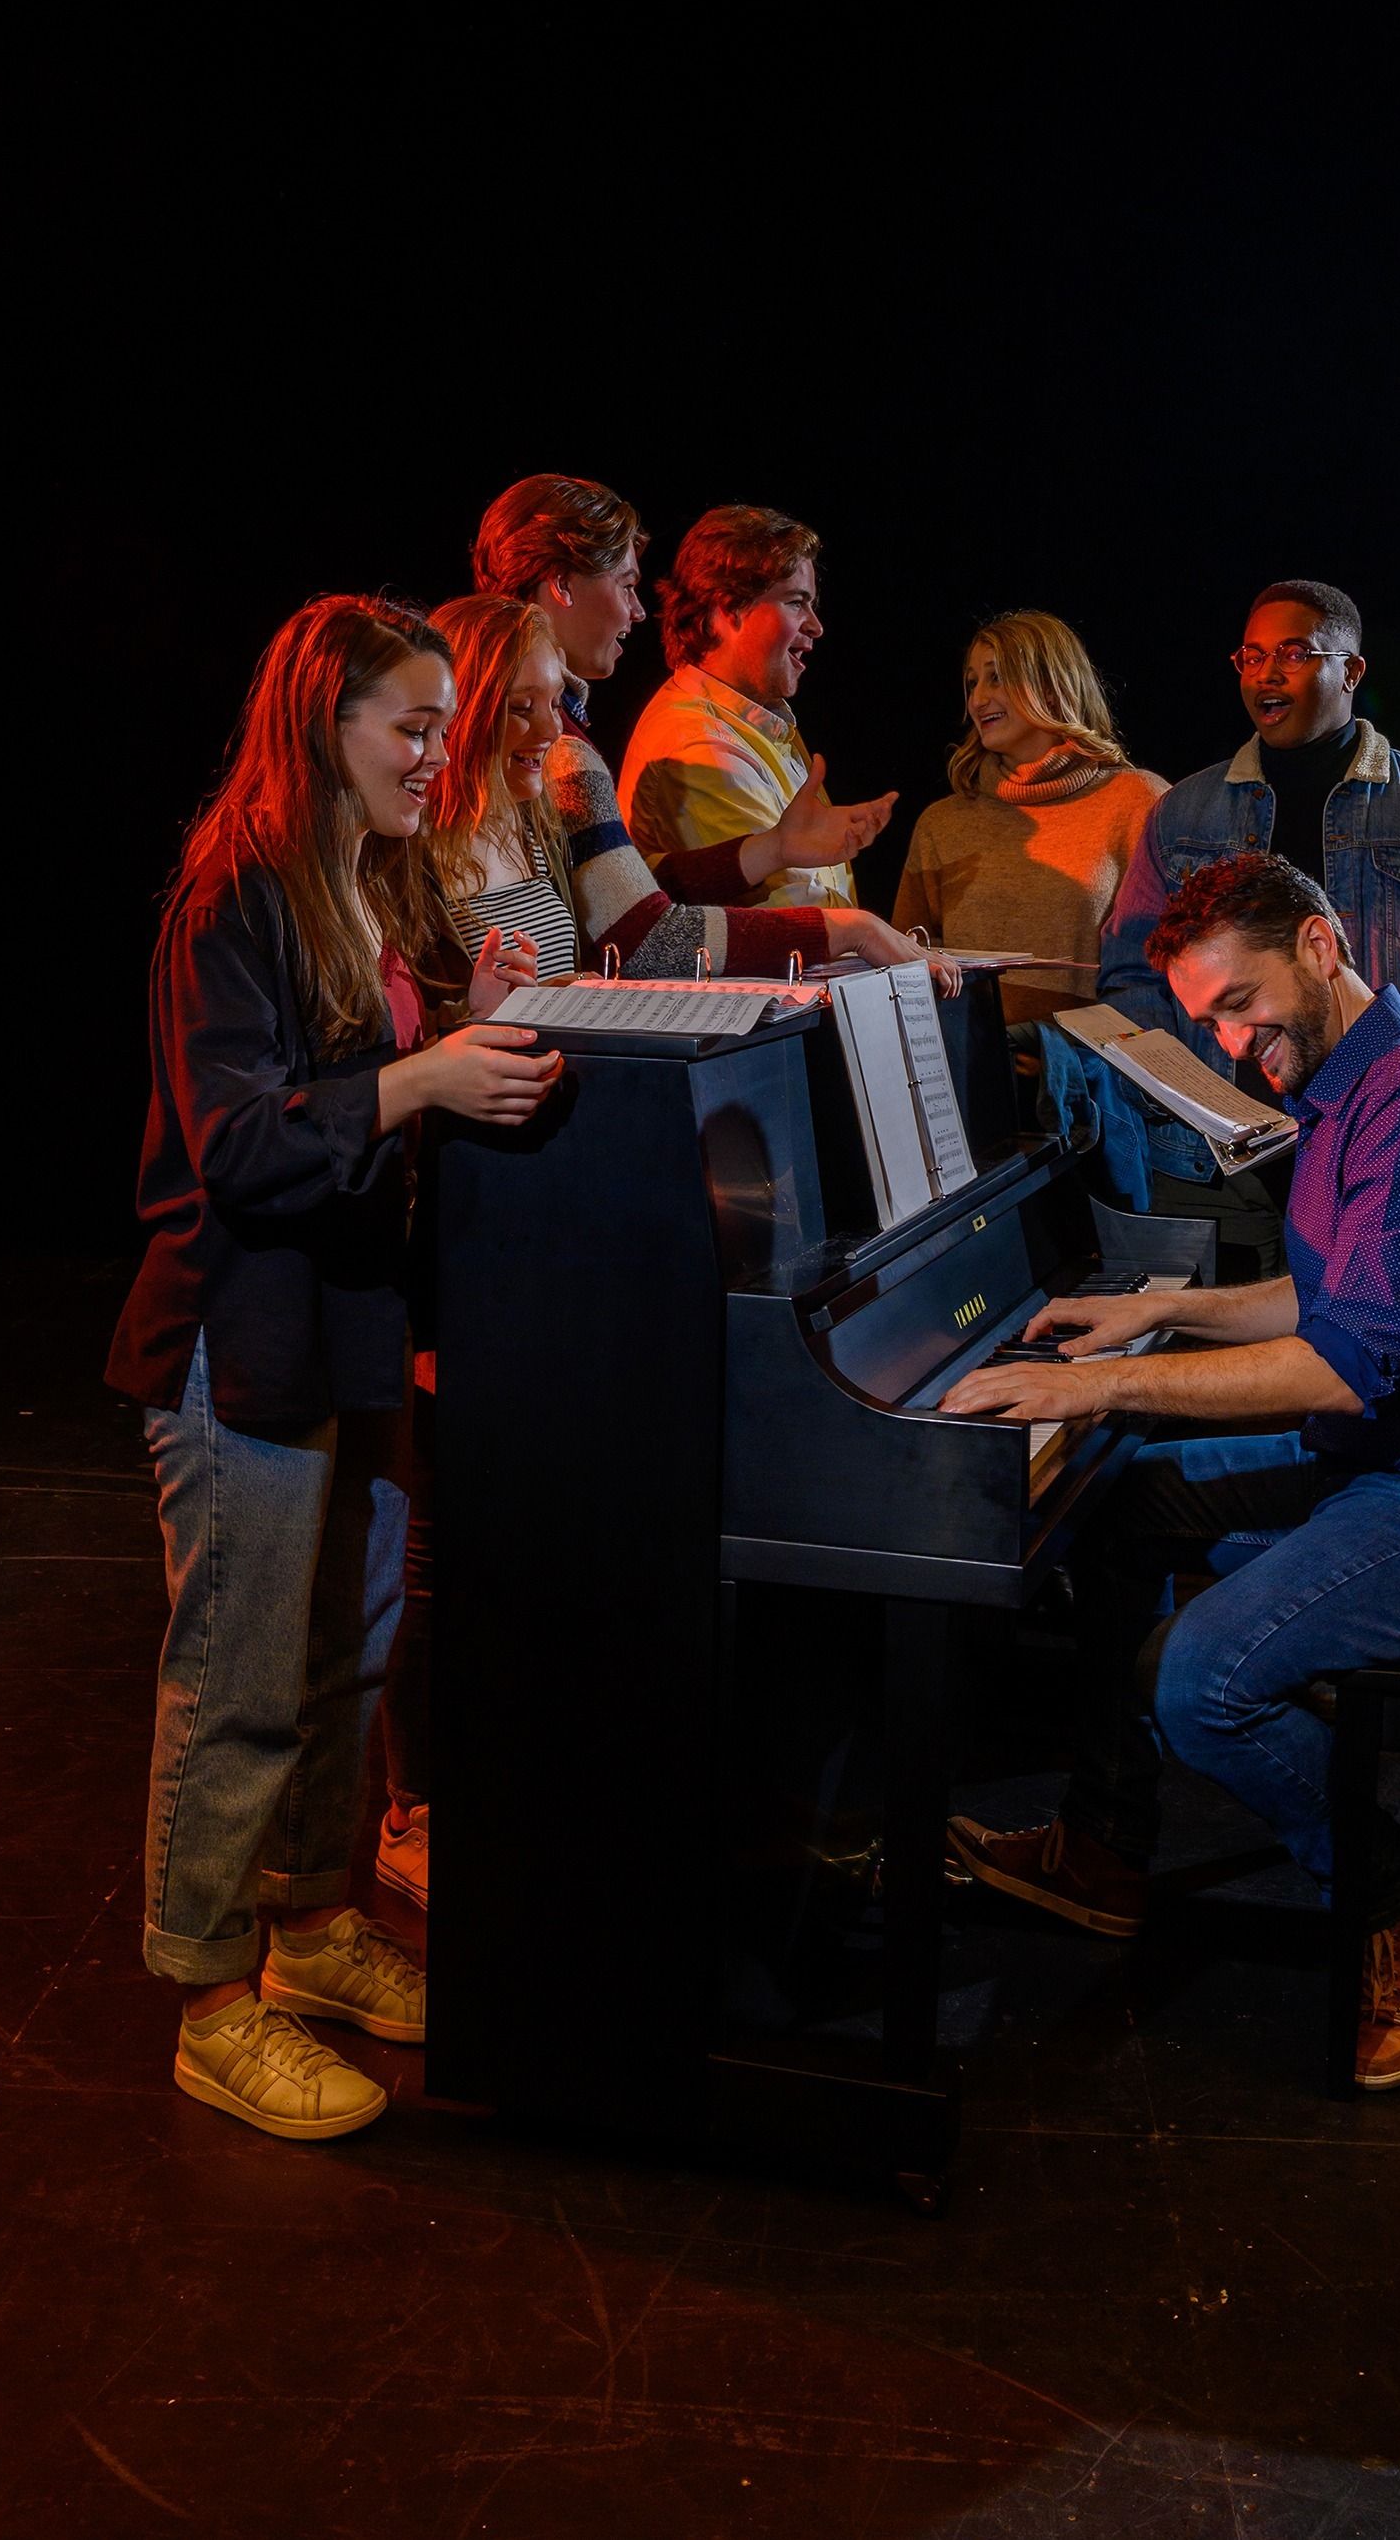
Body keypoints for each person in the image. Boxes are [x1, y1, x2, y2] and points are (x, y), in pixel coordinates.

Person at [942, 850, 1400, 2091]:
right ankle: (1102, 1847)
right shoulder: (1355, 1087)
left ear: (1315, 943)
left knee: (1201, 1678)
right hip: (1398, 1461)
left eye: (1237, 1007)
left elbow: (1341, 1364)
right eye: (1206, 1023)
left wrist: (1098, 1381)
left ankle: (1396, 1898)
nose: (1232, 1045)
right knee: (1129, 1499)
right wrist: (1151, 1322)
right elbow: (1329, 1295)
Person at [369, 591, 937, 1915]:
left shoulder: (536, 797)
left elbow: (640, 944)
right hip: (455, 1192)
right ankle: (415, 1801)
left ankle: (520, 1764)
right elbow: (400, 1016)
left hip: (550, 1178)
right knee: (444, 1517)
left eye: (547, 702)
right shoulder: (402, 838)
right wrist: (475, 1012)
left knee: (528, 1503)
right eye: (514, 707)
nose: (543, 728)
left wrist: (821, 937)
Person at [105, 594, 561, 2141]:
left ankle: (309, 1932)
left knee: (340, 1660)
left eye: (445, 724)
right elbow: (236, 1143)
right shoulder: (230, 894)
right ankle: (210, 1999)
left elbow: (356, 1093)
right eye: (413, 726)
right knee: (236, 1679)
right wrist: (428, 1073)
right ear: (323, 727)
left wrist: (467, 1026)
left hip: (348, 1327)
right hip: (241, 1341)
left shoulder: (364, 886)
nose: (441, 755)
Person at [1099, 578, 1400, 1274]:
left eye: (1294, 653)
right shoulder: (1183, 813)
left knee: (1365, 1362)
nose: (1266, 674)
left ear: (1352, 670)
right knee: (1223, 1361)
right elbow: (1131, 976)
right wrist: (1190, 1103)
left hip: (1386, 1154)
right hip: (1222, 1169)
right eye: (1249, 657)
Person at [471, 472, 894, 910]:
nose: (638, 612)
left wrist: (775, 848)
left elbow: (626, 892)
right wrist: (856, 931)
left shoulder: (565, 735)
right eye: (628, 586)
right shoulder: (563, 746)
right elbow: (634, 926)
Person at [891, 609, 1168, 1027]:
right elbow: (904, 969)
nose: (978, 699)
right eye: (972, 682)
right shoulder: (942, 824)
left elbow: (1170, 963)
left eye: (997, 676)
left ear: (1053, 688)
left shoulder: (1137, 802)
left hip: (1090, 1078)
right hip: (970, 1074)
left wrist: (1065, 1048)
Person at [617, 503, 887, 910]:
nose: (816, 625)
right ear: (728, 609)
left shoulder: (757, 722)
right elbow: (790, 915)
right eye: (796, 602)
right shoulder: (697, 742)